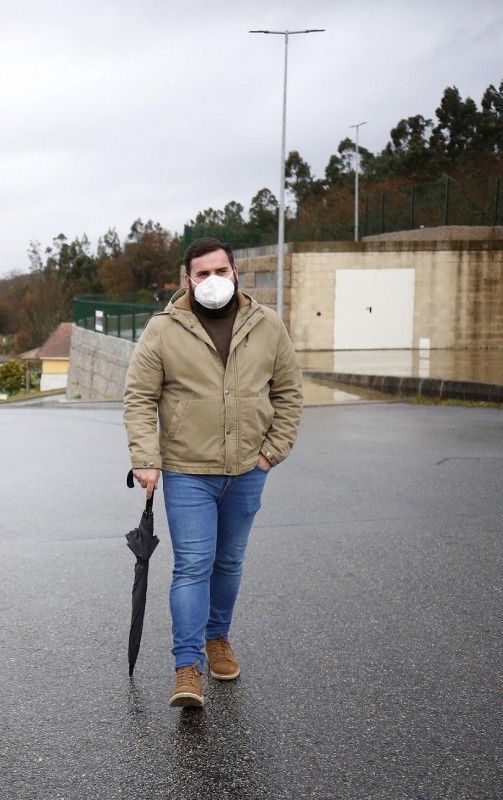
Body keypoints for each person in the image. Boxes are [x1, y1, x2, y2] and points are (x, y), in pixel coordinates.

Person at [123, 237, 303, 708]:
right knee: (193, 565)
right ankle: (187, 667)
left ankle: (217, 637)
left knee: (229, 562)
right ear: (187, 280)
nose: (212, 281)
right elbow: (140, 395)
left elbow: (288, 393)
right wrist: (145, 457)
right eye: (202, 274)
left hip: (248, 470)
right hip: (187, 471)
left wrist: (271, 453)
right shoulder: (163, 330)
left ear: (235, 273)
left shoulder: (267, 325)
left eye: (220, 271)